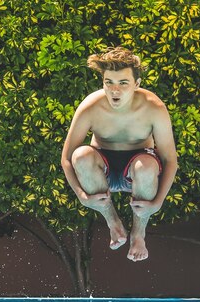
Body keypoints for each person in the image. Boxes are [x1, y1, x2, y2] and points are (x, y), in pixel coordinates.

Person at [61, 47, 177, 262]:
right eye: (109, 83)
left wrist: (158, 202)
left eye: (123, 83)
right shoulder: (90, 107)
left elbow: (170, 160)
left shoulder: (154, 108)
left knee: (146, 165)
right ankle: (111, 220)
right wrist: (81, 196)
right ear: (103, 82)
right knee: (81, 156)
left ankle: (139, 231)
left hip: (138, 169)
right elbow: (67, 158)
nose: (115, 90)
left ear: (137, 85)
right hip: (102, 168)